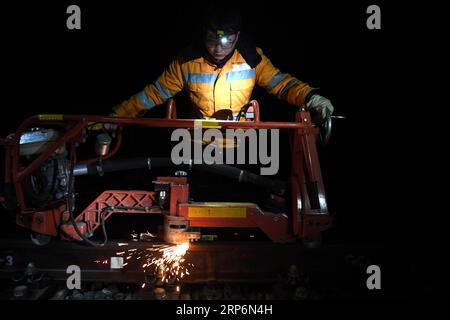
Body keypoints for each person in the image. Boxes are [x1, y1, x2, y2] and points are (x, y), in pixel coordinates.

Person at [112, 6, 333, 123]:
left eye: (226, 41)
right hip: (198, 144)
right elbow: (153, 94)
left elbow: (282, 84)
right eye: (211, 40)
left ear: (237, 36)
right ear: (203, 34)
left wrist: (311, 97)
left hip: (244, 145)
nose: (218, 48)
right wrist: (118, 116)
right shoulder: (186, 62)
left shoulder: (252, 58)